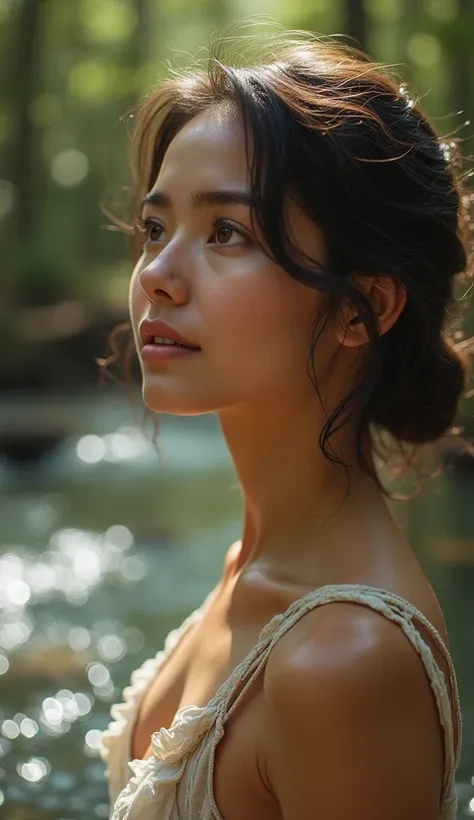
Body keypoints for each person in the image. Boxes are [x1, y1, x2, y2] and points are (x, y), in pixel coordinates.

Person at [99, 27, 472, 820]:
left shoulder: (344, 659)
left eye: (226, 232)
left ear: (358, 307)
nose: (157, 276)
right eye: (156, 228)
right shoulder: (253, 568)